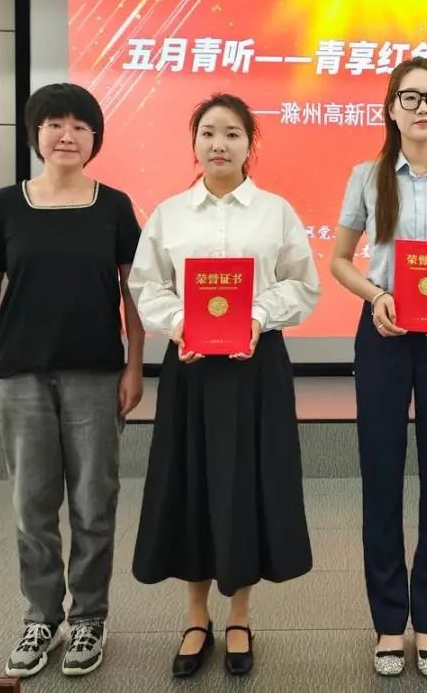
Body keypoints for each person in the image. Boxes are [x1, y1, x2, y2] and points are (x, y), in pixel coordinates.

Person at [128, 93, 320, 678]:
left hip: (255, 367)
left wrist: (257, 316)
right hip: (190, 368)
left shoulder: (275, 212)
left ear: (249, 143)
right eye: (208, 132)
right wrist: (180, 321)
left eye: (233, 133)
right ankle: (195, 617)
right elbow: (146, 285)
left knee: (247, 484)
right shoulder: (170, 214)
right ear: (194, 142)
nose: (219, 144)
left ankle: (239, 615)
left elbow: (302, 284)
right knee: (190, 484)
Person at [0, 83, 144, 678]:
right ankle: (41, 616)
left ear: (95, 138)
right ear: (35, 134)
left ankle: (90, 616)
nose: (66, 135)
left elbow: (133, 292)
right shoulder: (6, 204)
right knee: (32, 504)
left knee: (95, 501)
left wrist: (135, 365)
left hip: (96, 374)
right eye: (53, 124)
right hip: (19, 376)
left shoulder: (113, 205)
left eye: (79, 125)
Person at [330, 58, 427, 679]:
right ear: (391, 108)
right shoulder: (367, 178)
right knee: (381, 476)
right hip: (384, 334)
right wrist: (377, 296)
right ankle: (387, 624)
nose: (423, 108)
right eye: (410, 97)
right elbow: (341, 259)